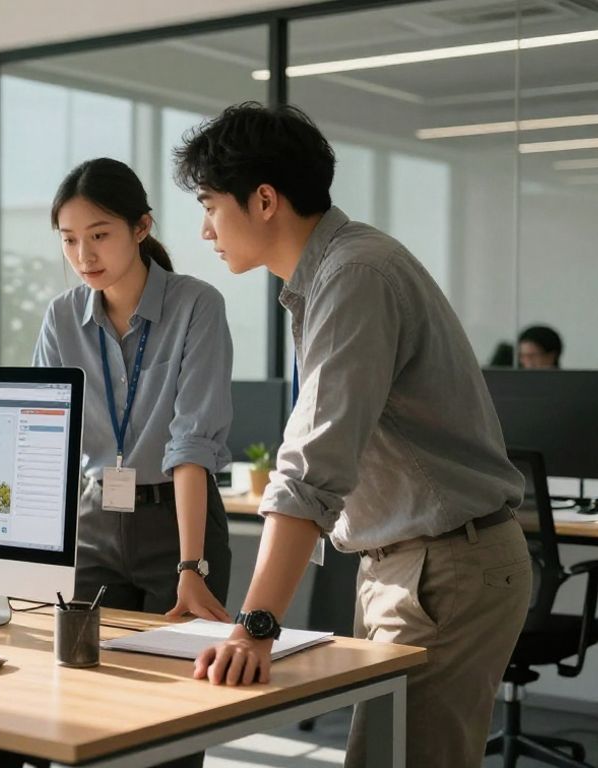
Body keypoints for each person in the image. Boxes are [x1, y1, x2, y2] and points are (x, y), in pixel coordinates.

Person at [174, 102, 529, 768]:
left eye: (211, 206)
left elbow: (312, 466)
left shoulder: (355, 277)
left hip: (444, 568)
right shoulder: (331, 276)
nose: (204, 230)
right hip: (412, 563)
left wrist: (257, 627)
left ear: (266, 199)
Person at [33, 158, 234, 621]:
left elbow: (191, 445)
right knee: (82, 676)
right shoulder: (62, 318)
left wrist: (191, 565)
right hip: (92, 522)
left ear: (141, 227)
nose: (84, 256)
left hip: (177, 524)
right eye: (69, 239)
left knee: (176, 682)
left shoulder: (196, 305)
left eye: (99, 235)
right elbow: (47, 447)